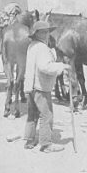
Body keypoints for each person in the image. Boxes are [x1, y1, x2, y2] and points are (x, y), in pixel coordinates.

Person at [23, 21, 70, 152]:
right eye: (43, 32)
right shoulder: (42, 48)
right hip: (40, 86)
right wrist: (62, 66)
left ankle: (29, 140)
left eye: (47, 31)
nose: (46, 34)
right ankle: (46, 144)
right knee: (46, 114)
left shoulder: (32, 45)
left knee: (32, 114)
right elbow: (45, 66)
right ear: (37, 34)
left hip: (30, 86)